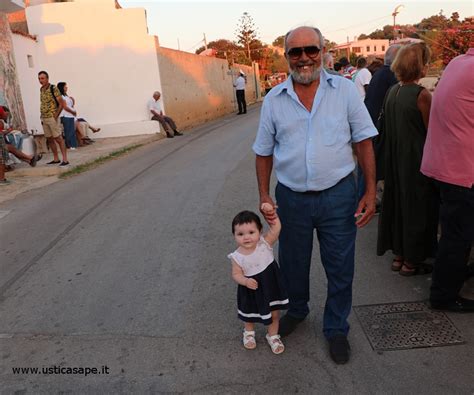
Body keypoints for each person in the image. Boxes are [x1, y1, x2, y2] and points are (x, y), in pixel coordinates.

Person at [253, 26, 377, 364]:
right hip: (291, 198)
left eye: (311, 49)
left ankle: (336, 328)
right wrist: (265, 193)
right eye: (296, 52)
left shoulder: (346, 91)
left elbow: (363, 140)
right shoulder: (275, 100)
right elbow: (263, 152)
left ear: (322, 51)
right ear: (287, 56)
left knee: (339, 265)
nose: (304, 57)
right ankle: (297, 310)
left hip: (339, 195)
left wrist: (369, 191)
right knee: (293, 263)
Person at [377, 42, 438, 276]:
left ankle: (400, 256)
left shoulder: (393, 92)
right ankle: (412, 261)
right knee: (417, 210)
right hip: (416, 160)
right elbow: (431, 130)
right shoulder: (421, 94)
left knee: (399, 207)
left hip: (395, 159)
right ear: (419, 65)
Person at [421, 48, 474, 312]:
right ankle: (443, 295)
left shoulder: (458, 62)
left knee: (456, 232)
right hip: (460, 169)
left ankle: (458, 274)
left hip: (440, 163)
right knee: (457, 236)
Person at [228, 205, 288, 354]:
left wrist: (272, 214)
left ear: (260, 231)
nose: (246, 237)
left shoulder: (264, 243)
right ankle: (249, 333)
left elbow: (276, 229)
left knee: (274, 312)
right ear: (234, 235)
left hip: (270, 285)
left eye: (251, 232)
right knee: (250, 313)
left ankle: (273, 335)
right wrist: (245, 281)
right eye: (240, 234)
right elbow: (236, 274)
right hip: (251, 288)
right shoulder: (237, 256)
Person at [38, 71, 69, 166]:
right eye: (39, 78)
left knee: (58, 138)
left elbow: (61, 103)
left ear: (47, 78)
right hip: (44, 118)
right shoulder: (41, 89)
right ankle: (56, 158)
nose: (40, 80)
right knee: (50, 139)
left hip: (52, 117)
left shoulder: (53, 88)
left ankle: (65, 159)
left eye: (42, 78)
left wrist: (55, 116)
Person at [57, 82, 78, 150]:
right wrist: (73, 112)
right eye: (65, 87)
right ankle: (70, 145)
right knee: (68, 131)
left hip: (70, 115)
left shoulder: (66, 96)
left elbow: (71, 105)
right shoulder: (61, 97)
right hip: (66, 115)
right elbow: (65, 107)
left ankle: (72, 144)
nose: (66, 88)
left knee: (71, 130)